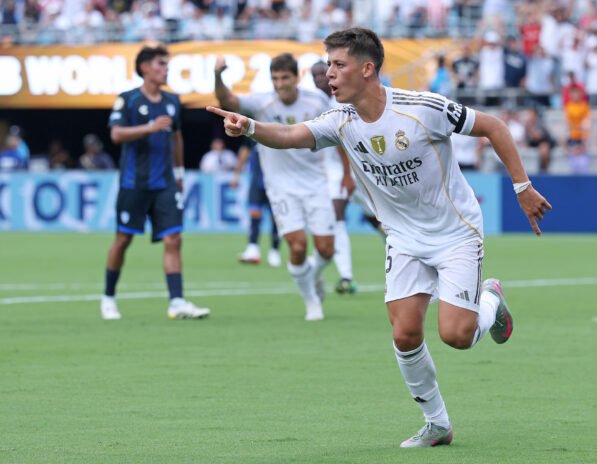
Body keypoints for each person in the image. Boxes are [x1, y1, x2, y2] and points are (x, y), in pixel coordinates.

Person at [208, 27, 551, 448]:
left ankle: (491, 299)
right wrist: (249, 128)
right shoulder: (340, 120)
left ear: (367, 69)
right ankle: (437, 424)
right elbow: (290, 136)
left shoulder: (422, 108)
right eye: (328, 65)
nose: (328, 74)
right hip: (404, 237)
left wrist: (522, 187)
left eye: (338, 65)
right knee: (405, 334)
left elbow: (494, 126)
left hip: (454, 232)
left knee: (456, 336)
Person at [214, 53, 345, 321]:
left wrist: (347, 173)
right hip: (281, 187)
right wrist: (218, 76)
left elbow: (338, 133)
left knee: (326, 250)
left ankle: (313, 275)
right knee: (297, 247)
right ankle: (312, 302)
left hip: (316, 184)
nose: (280, 84)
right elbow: (229, 101)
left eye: (285, 78)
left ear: (296, 77)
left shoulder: (317, 101)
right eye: (275, 78)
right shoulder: (262, 102)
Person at [101, 44, 210, 321]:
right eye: (160, 64)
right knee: (123, 239)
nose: (165, 69)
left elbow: (176, 138)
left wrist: (180, 173)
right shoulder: (127, 100)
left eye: (166, 64)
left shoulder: (172, 102)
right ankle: (108, 298)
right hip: (133, 183)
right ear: (144, 68)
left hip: (165, 184)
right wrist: (148, 128)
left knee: (173, 239)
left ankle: (177, 301)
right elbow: (116, 135)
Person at [311, 60, 358, 294]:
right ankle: (346, 276)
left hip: (348, 171)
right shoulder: (316, 103)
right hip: (334, 172)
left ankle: (345, 275)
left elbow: (340, 141)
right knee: (336, 216)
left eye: (323, 73)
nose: (320, 78)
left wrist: (348, 175)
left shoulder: (337, 102)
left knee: (339, 217)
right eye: (315, 75)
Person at [230, 142, 282, 267]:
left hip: (276, 183)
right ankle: (253, 248)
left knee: (276, 217)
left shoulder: (279, 130)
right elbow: (244, 153)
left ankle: (274, 251)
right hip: (257, 182)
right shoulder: (253, 132)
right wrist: (236, 175)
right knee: (254, 213)